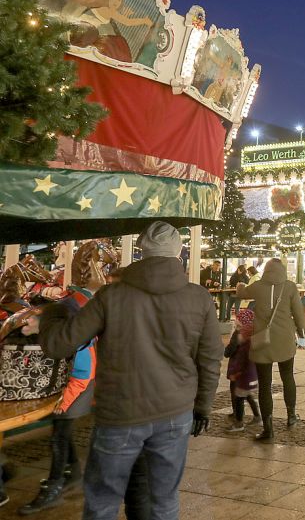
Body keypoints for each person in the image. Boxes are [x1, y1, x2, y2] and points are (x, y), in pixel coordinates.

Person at [32, 221, 222, 520]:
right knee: (164, 499)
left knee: (103, 503)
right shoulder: (198, 298)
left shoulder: (111, 296)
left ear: (141, 252)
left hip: (121, 414)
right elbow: (210, 358)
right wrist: (204, 407)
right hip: (175, 412)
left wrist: (53, 312)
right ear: (179, 252)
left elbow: (59, 344)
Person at [19, 286, 101, 514]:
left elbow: (83, 373)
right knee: (61, 428)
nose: (26, 325)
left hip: (80, 386)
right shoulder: (60, 326)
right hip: (74, 383)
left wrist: (64, 401)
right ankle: (73, 471)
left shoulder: (72, 335)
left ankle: (54, 486)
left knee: (59, 433)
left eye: (30, 320)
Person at [235, 257, 305, 441]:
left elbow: (241, 294)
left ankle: (268, 430)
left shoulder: (258, 286)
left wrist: (240, 286)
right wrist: (303, 334)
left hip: (263, 341)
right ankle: (291, 417)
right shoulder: (290, 287)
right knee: (287, 377)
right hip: (284, 340)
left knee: (265, 385)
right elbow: (298, 312)